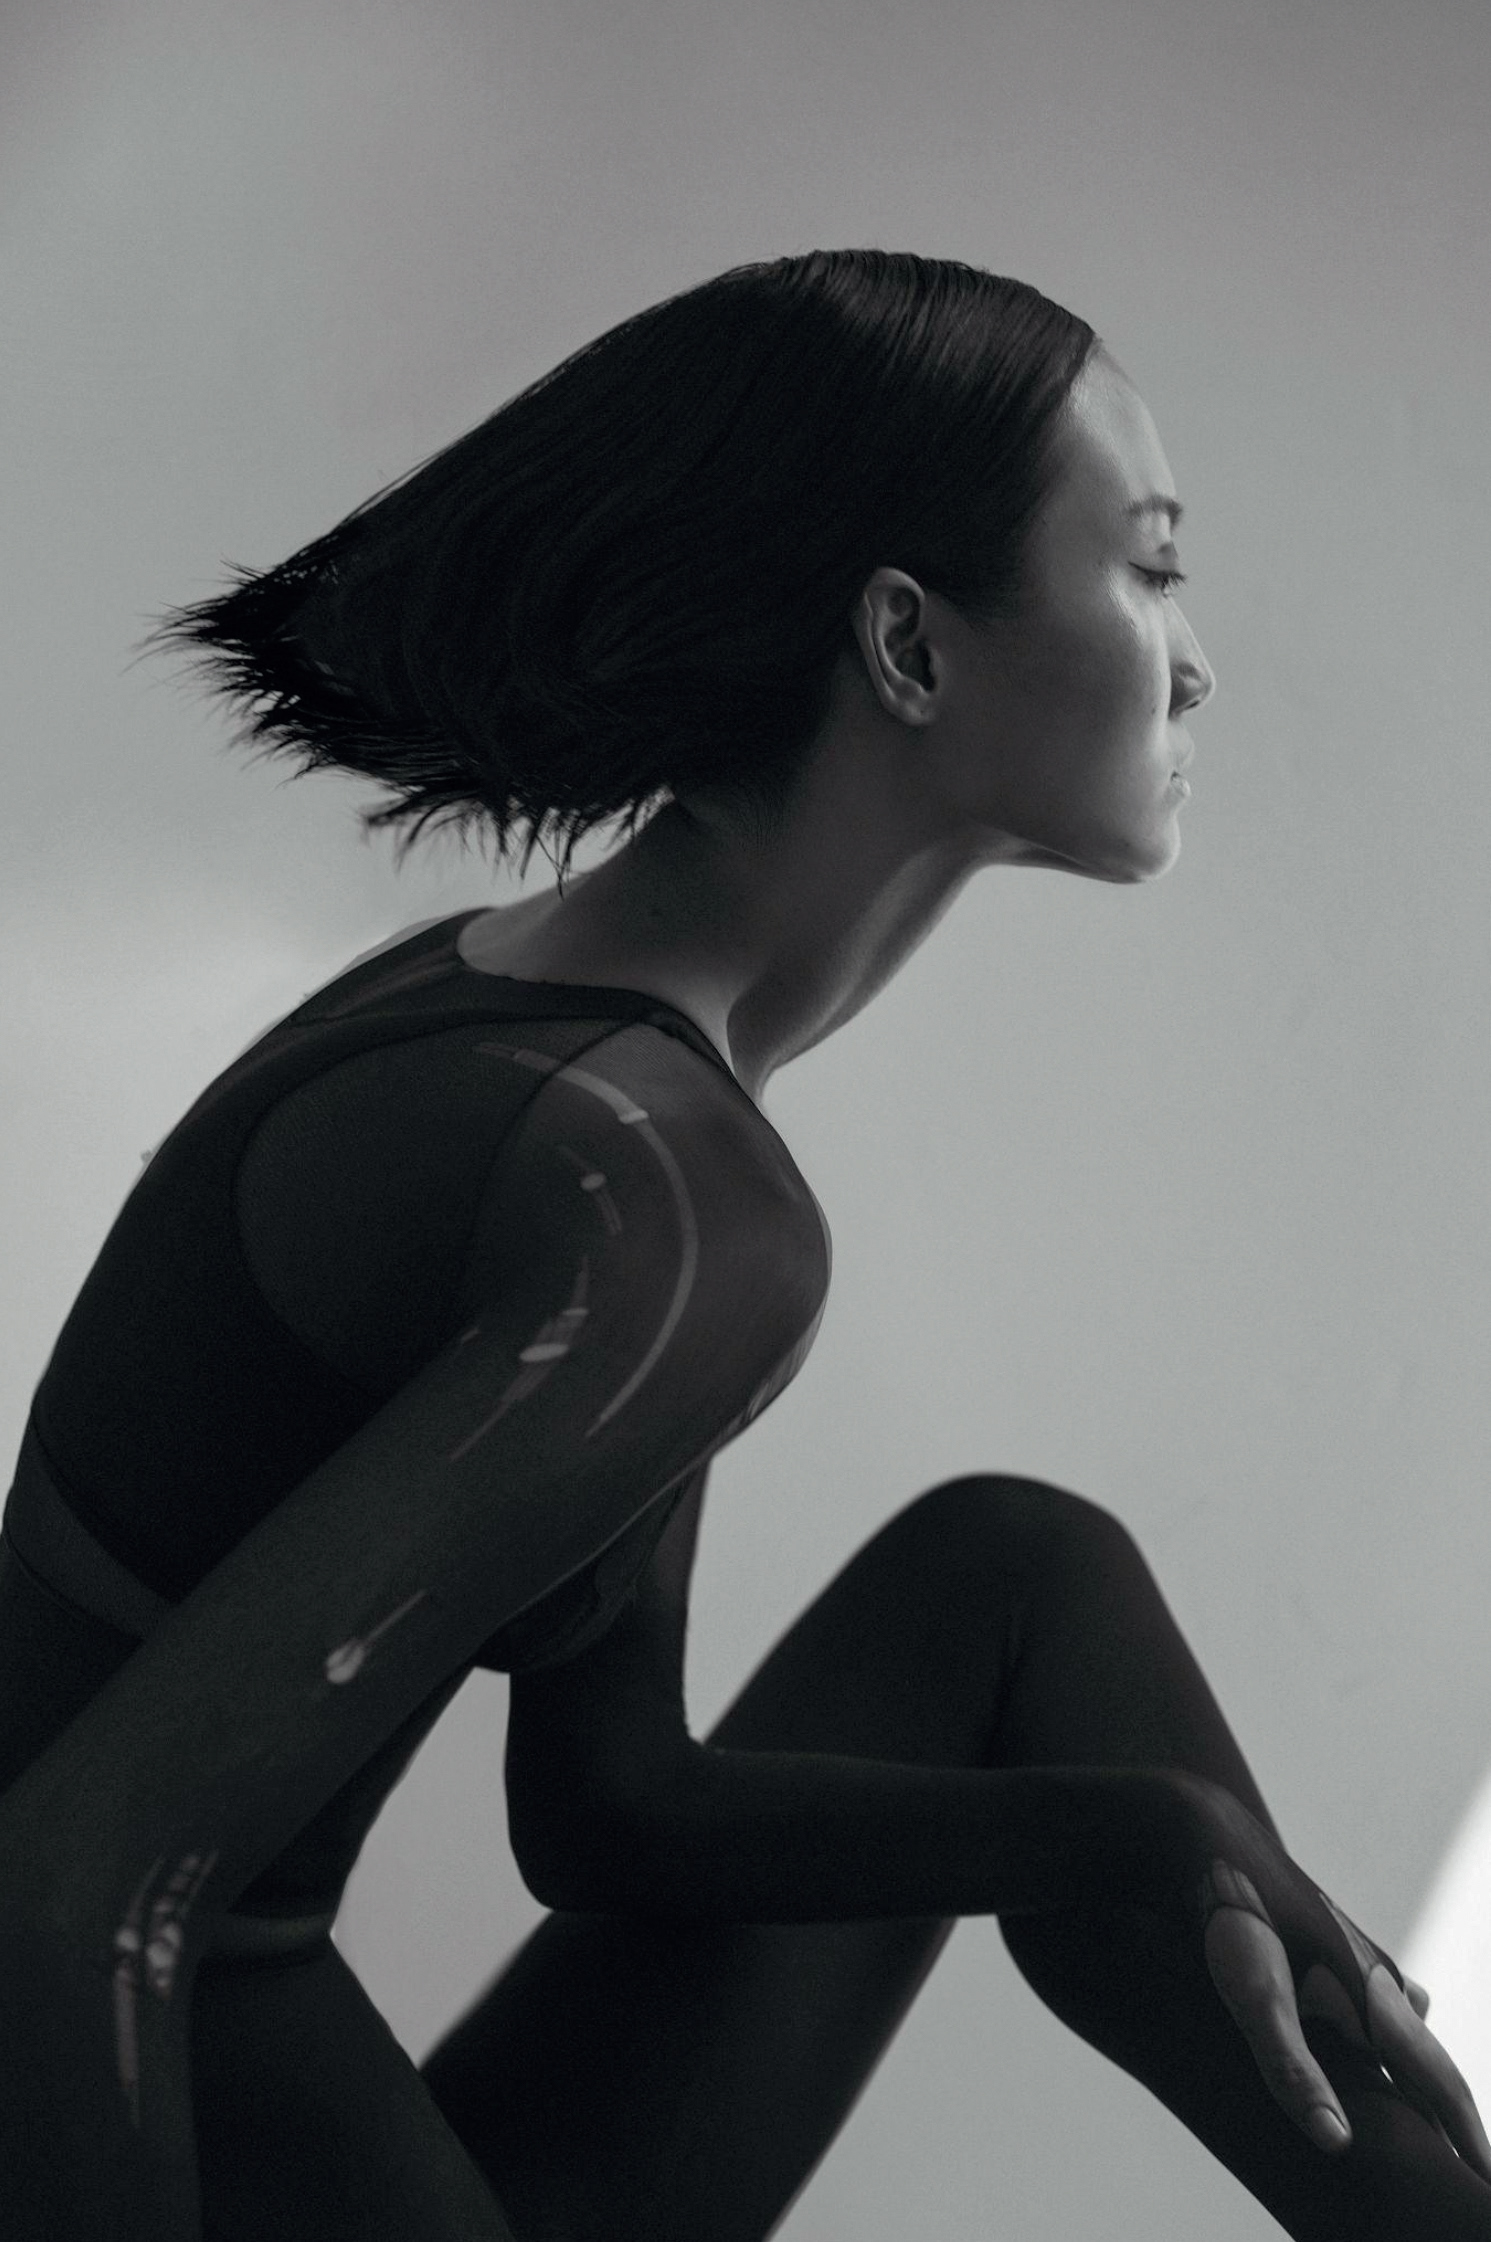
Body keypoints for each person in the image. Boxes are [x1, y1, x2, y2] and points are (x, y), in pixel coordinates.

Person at [0, 248, 1485, 2242]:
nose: (1195, 661)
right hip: (94, 2065)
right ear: (907, 645)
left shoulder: (590, 1061)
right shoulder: (658, 1191)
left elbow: (604, 1807)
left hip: (196, 2016)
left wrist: (1147, 1832)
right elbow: (71, 1887)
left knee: (1011, 1578)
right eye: (1148, 567)